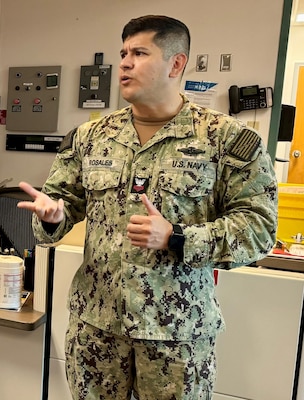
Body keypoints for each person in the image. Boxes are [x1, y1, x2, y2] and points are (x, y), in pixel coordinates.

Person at [18, 15, 277, 400]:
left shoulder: (226, 139)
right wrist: (55, 216)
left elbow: (258, 230)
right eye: (123, 53)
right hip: (97, 328)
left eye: (139, 53)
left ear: (176, 63)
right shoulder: (91, 137)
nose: (124, 62)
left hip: (176, 336)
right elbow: (61, 203)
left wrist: (178, 237)